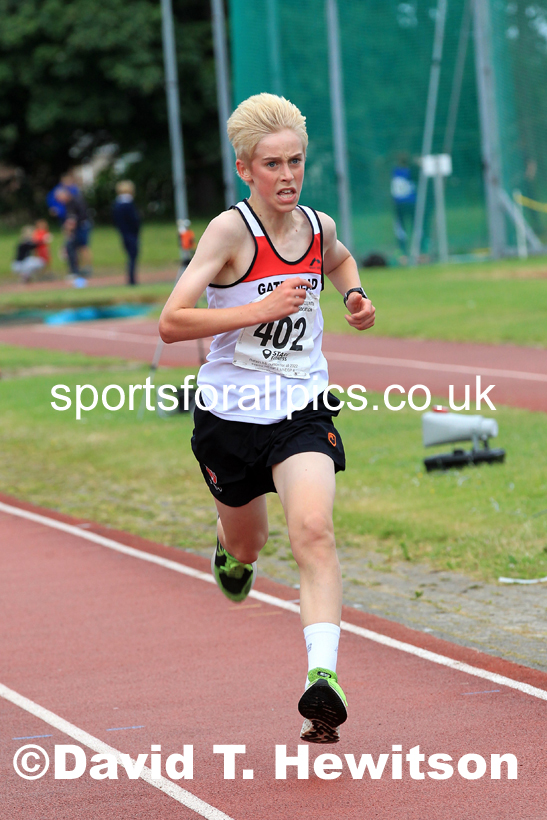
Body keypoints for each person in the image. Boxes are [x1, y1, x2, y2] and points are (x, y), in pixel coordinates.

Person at [159, 93, 375, 744]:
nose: (287, 176)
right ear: (245, 168)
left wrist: (356, 294)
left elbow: (335, 260)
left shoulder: (317, 225)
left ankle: (322, 682)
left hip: (301, 407)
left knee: (313, 529)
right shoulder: (229, 233)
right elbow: (171, 323)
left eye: (296, 162)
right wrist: (256, 309)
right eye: (272, 164)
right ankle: (230, 552)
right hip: (229, 417)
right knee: (250, 543)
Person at [112, 180, 141, 285]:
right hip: (131, 233)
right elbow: (134, 220)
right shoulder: (128, 204)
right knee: (133, 256)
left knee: (130, 256)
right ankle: (132, 280)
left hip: (123, 233)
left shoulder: (117, 204)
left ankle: (131, 278)